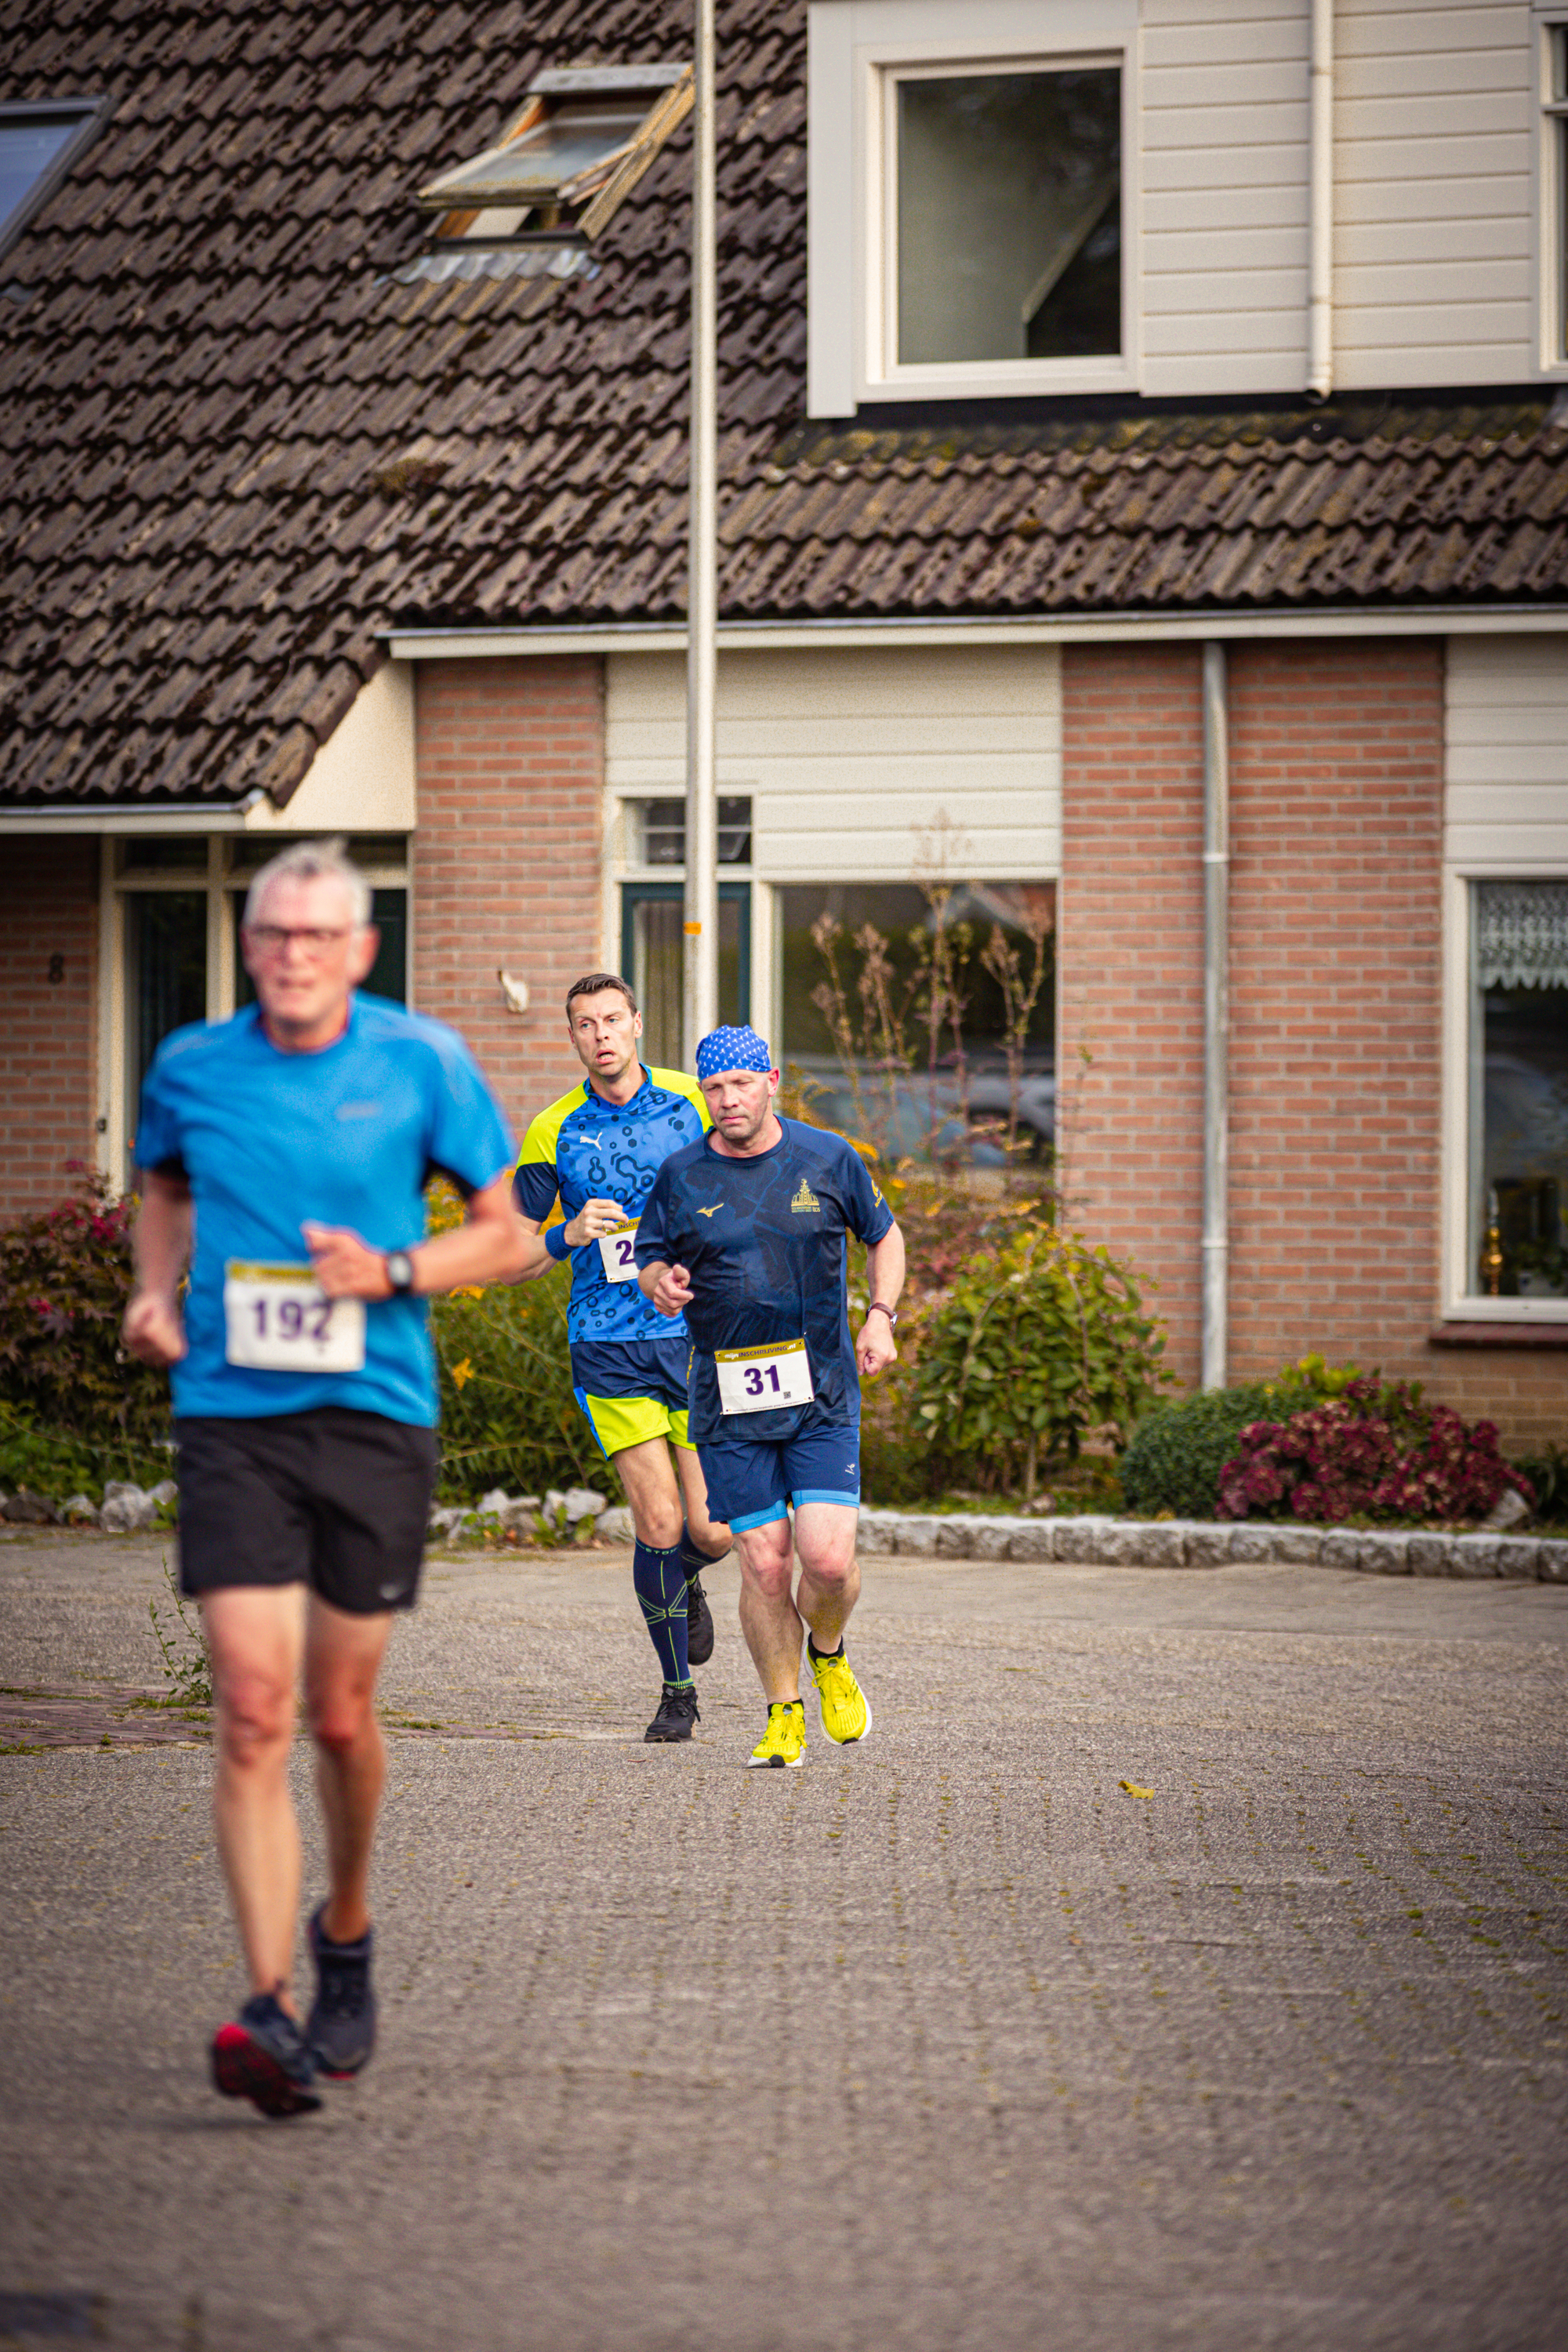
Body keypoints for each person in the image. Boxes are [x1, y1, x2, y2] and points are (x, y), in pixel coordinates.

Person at [124, 837, 539, 2118]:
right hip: (233, 1416)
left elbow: (514, 1235)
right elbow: (162, 1187)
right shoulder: (192, 1066)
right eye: (272, 933)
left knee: (343, 1718)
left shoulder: (423, 1062)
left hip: (373, 1417)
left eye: (318, 935)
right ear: (248, 947)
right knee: (255, 1708)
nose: (293, 954)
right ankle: (267, 2007)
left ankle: (343, 1930)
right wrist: (153, 1290)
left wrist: (394, 1271)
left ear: (361, 951)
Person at [635, 1025, 906, 1768]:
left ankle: (829, 1651)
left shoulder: (828, 1157)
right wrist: (660, 1284)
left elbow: (884, 1236)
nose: (728, 1100)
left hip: (822, 1392)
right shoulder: (681, 1176)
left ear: (772, 1082)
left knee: (827, 1561)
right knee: (763, 1564)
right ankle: (783, 1713)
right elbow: (649, 1259)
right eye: (714, 1089)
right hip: (728, 1400)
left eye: (741, 1084)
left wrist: (881, 1317)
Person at [513, 974, 732, 1745]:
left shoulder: (692, 1101)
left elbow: (751, 1171)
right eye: (585, 1024)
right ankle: (677, 1693)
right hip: (608, 1346)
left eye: (612, 1019)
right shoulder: (554, 1129)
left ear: (637, 1023)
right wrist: (564, 1235)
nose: (601, 1034)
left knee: (714, 1530)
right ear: (572, 1036)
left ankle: (686, 1577)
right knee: (659, 1520)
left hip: (697, 1337)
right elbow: (509, 1254)